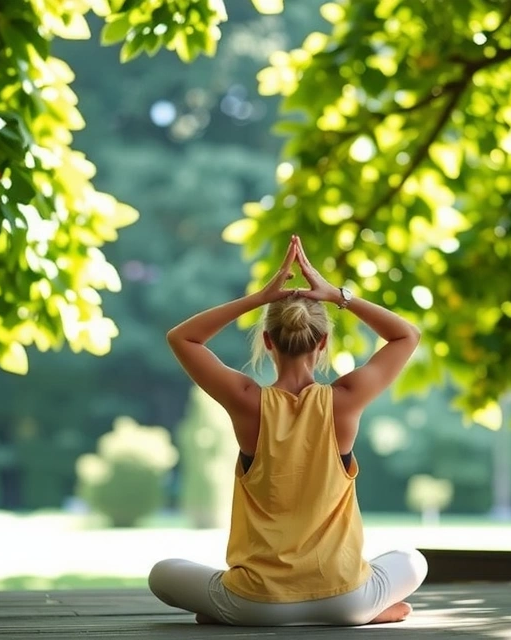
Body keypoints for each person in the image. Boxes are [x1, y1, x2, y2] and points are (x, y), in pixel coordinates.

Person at [149, 235, 428, 626]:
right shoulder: (345, 399)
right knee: (412, 560)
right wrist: (338, 295)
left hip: (255, 605)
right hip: (345, 599)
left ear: (267, 341)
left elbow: (182, 337)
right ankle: (371, 610)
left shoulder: (247, 400)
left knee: (162, 572)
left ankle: (225, 611)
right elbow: (406, 335)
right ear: (324, 343)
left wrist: (259, 299)